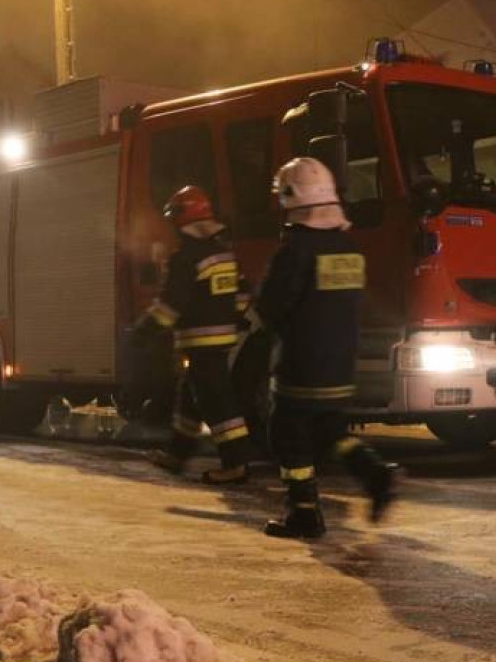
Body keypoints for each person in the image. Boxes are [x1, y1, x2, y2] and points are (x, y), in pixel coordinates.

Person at [251, 157, 395, 538]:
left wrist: (252, 319)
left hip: (302, 363)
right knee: (331, 432)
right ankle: (376, 474)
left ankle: (304, 514)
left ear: (290, 198)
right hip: (341, 361)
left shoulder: (296, 248)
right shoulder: (347, 246)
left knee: (287, 436)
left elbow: (273, 308)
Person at [137, 185, 253, 485]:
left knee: (217, 404)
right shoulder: (224, 253)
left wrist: (146, 329)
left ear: (182, 216)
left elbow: (171, 305)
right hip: (223, 340)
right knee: (189, 398)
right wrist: (230, 319)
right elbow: (243, 295)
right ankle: (177, 455)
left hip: (200, 341)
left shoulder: (186, 257)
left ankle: (235, 464)